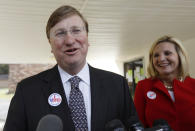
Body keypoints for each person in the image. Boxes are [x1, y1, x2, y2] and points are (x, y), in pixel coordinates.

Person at [4, 5, 141, 131]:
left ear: (87, 38)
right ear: (50, 44)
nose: (69, 40)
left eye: (76, 30)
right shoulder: (27, 91)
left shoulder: (117, 85)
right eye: (60, 33)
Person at [134, 35, 195, 131]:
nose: (161, 59)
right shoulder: (143, 86)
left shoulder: (193, 85)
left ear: (180, 56)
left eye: (167, 53)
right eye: (156, 55)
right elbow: (138, 124)